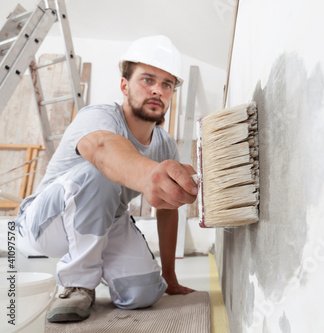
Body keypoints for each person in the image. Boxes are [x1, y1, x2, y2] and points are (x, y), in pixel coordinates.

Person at [14, 35, 198, 323]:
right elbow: (102, 149)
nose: (157, 91)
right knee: (100, 173)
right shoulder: (97, 117)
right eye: (147, 80)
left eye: (167, 84)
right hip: (45, 223)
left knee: (144, 293)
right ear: (124, 85)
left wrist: (170, 276)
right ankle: (78, 283)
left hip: (106, 222)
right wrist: (149, 172)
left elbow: (167, 211)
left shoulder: (165, 145)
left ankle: (98, 264)